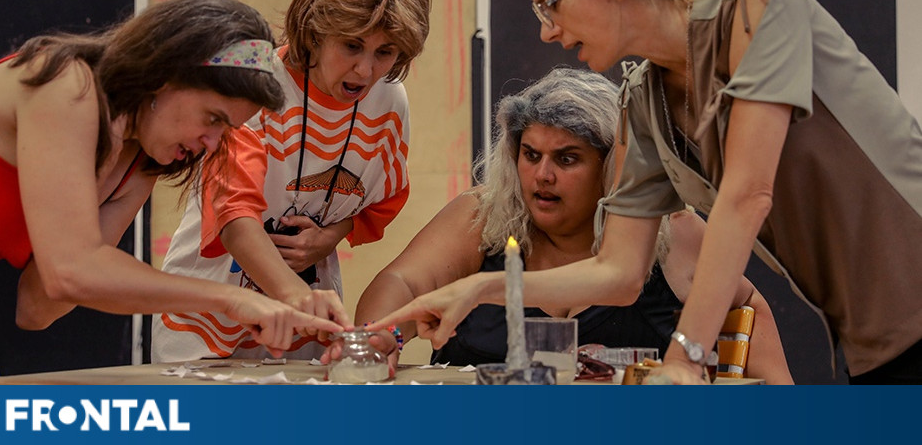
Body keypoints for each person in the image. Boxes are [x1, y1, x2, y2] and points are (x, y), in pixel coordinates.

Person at [373, 0, 922, 385]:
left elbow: (747, 195)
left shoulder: (757, 5)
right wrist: (479, 288)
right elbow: (618, 272)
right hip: (871, 341)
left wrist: (686, 355)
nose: (547, 31)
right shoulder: (643, 103)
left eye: (551, 4)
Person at [0, 0, 346, 384]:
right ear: (165, 75)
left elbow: (39, 304)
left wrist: (89, 262)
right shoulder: (66, 86)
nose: (213, 143)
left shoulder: (140, 162)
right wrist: (229, 300)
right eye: (213, 118)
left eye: (226, 129)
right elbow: (70, 273)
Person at [339, 67, 791, 384]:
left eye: (567, 159)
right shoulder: (481, 215)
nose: (542, 175)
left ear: (611, 169)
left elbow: (745, 304)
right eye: (530, 155)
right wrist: (381, 338)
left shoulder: (670, 228)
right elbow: (402, 282)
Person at [150, 0, 431, 363]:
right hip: (208, 326)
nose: (365, 69)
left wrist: (329, 237)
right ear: (315, 30)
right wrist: (296, 295)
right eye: (351, 45)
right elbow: (234, 218)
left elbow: (381, 200)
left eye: (385, 52)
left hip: (306, 327)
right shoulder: (259, 85)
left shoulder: (390, 103)